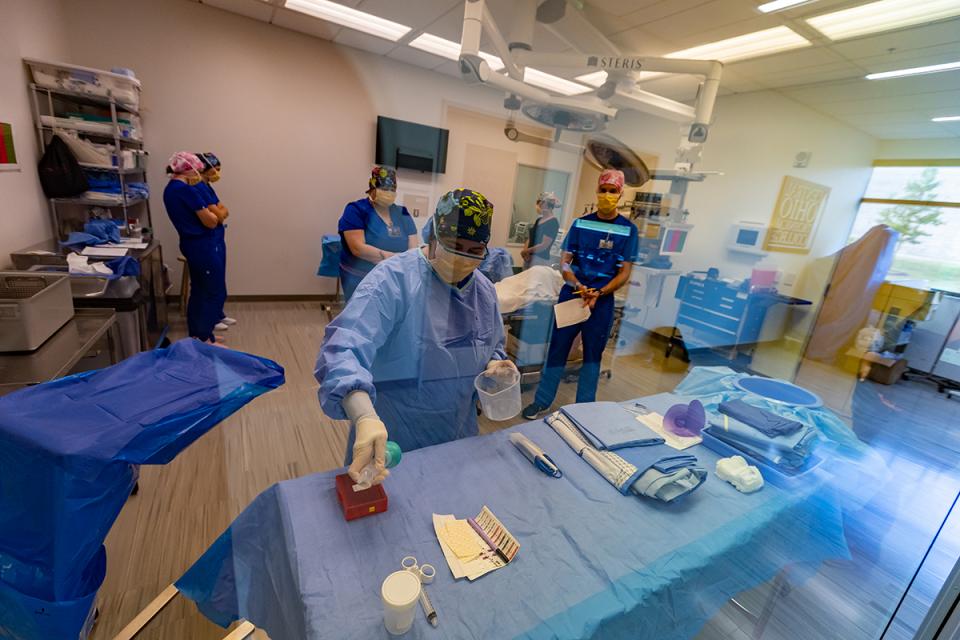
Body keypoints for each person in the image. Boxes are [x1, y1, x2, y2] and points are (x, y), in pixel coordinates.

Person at [315, 188, 518, 485]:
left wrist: (496, 366)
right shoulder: (392, 280)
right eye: (454, 246)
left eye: (474, 252)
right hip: (393, 440)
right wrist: (363, 417)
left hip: (458, 437)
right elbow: (344, 349)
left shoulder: (484, 292)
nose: (462, 259)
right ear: (433, 234)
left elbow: (492, 346)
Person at [522, 169, 638, 418]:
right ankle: (542, 401)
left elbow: (625, 272)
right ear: (597, 191)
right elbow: (565, 262)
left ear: (620, 194)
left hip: (601, 301)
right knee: (557, 350)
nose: (607, 195)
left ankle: (584, 411)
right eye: (603, 190)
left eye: (612, 191)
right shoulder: (581, 224)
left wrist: (600, 291)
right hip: (573, 295)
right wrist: (577, 285)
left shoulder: (628, 230)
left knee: (593, 357)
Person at [162, 152, 224, 344]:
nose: (199, 174)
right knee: (211, 291)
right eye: (197, 170)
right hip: (201, 245)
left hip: (192, 243)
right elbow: (212, 221)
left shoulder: (171, 188)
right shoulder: (185, 190)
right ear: (189, 169)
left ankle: (199, 335)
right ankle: (204, 339)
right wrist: (214, 216)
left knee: (199, 290)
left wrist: (213, 215)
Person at [338, 165, 418, 301]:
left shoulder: (402, 212)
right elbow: (358, 248)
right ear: (372, 188)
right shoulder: (356, 210)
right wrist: (395, 258)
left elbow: (413, 247)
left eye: (392, 189)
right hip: (362, 278)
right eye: (384, 189)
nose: (388, 193)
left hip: (396, 277)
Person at [194, 152, 236, 331]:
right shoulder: (197, 187)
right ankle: (210, 319)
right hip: (207, 239)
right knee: (211, 281)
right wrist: (220, 213)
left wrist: (220, 213)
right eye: (216, 169)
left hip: (217, 238)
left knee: (219, 279)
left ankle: (218, 313)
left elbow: (222, 211)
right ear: (205, 168)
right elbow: (218, 214)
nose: (218, 174)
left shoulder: (207, 186)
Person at [520, 191, 561, 268]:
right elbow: (530, 238)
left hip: (540, 261)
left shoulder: (553, 222)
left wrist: (526, 251)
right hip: (528, 258)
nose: (538, 206)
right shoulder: (538, 220)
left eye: (540, 203)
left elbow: (544, 245)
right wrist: (525, 253)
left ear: (547, 204)